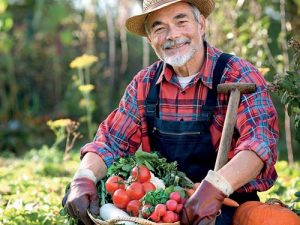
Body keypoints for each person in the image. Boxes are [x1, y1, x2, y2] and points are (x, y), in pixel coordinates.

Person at [63, 0, 279, 225]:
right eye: (159, 28)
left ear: (201, 25)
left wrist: (215, 188)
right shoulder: (145, 84)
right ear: (150, 39)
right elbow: (111, 142)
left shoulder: (237, 74)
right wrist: (84, 177)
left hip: (226, 200)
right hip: (165, 204)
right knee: (83, 211)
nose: (172, 35)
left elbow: (259, 143)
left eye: (181, 21)